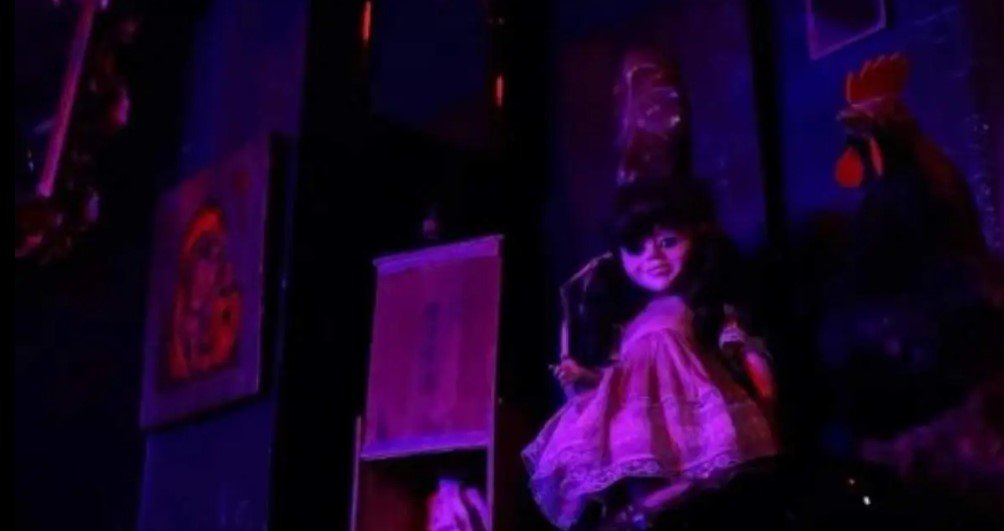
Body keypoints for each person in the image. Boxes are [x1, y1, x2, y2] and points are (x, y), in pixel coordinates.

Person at [523, 178, 779, 529]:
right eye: (636, 248)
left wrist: (765, 402)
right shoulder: (631, 322)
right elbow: (622, 377)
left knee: (693, 479)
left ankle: (656, 504)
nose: (653, 258)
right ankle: (643, 508)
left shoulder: (699, 307)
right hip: (640, 415)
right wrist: (585, 376)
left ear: (698, 237)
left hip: (687, 409)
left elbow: (743, 351)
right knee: (636, 467)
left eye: (668, 242)